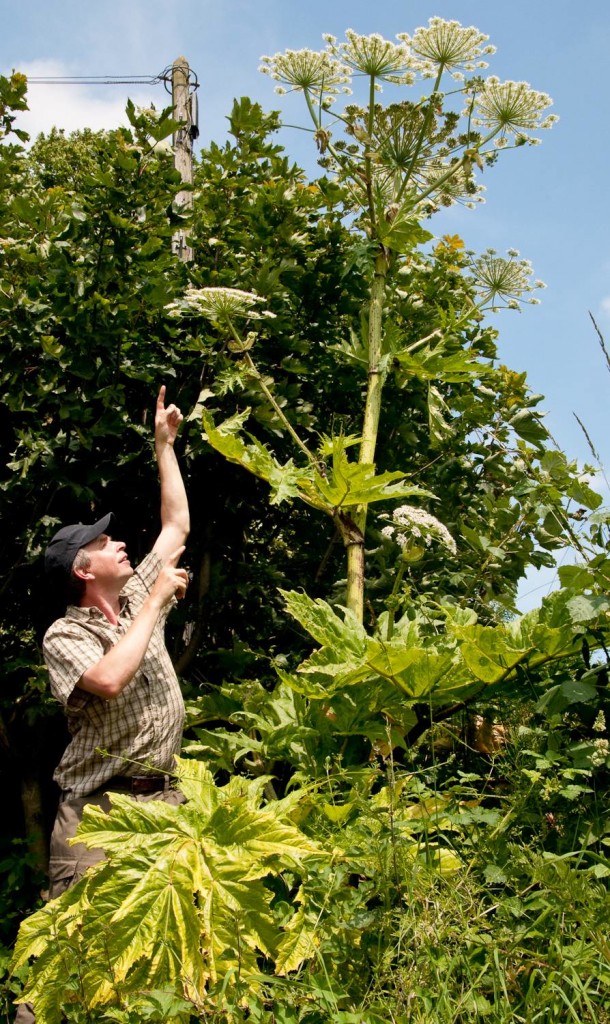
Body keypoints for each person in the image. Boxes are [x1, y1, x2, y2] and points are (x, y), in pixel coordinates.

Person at [14, 386, 190, 1023]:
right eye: (103, 543)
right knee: (71, 950)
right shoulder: (65, 635)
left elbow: (176, 527)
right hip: (99, 812)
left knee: (156, 955)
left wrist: (164, 447)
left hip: (163, 801)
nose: (118, 543)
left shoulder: (139, 594)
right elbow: (111, 678)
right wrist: (155, 603)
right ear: (82, 571)